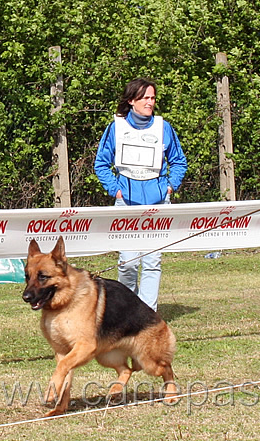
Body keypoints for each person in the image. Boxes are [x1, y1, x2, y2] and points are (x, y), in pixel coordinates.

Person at [94, 78, 187, 311]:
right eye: (145, 97)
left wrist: (169, 187)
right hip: (126, 203)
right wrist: (115, 191)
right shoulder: (116, 127)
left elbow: (178, 161)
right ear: (131, 100)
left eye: (153, 98)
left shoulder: (163, 127)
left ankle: (147, 315)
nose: (150, 102)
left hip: (157, 203)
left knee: (152, 261)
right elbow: (101, 164)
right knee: (127, 263)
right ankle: (126, 311)